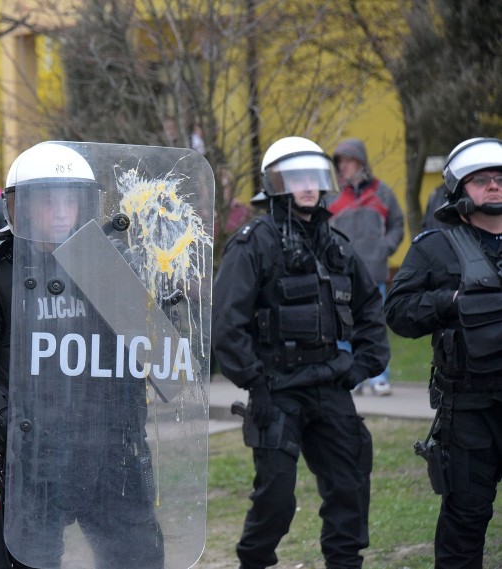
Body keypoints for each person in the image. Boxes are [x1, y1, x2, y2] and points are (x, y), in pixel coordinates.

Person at [0, 142, 182, 569]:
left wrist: (166, 314)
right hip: (35, 460)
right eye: (45, 200)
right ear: (22, 208)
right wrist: (11, 423)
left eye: (67, 198)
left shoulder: (110, 266)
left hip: (113, 455)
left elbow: (162, 363)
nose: (57, 210)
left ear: (84, 204)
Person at [211, 136, 389, 569]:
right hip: (277, 390)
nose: (307, 187)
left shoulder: (336, 243)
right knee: (275, 499)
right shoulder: (253, 242)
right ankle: (254, 561)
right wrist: (255, 381)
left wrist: (362, 364)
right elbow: (225, 323)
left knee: (349, 488)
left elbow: (370, 309)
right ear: (275, 184)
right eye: (296, 178)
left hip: (330, 386)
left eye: (313, 177)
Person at [384, 137, 502, 568]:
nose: (493, 187)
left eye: (500, 178)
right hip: (468, 411)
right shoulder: (436, 246)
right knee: (465, 521)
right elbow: (396, 312)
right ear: (458, 187)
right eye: (481, 180)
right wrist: (450, 301)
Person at [326, 137, 404, 396]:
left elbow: (397, 224)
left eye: (348, 160)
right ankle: (351, 376)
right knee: (342, 326)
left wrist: (386, 247)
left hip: (374, 272)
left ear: (361, 161)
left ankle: (379, 377)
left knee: (374, 324)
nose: (343, 166)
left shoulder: (382, 192)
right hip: (341, 275)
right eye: (340, 162)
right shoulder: (333, 197)